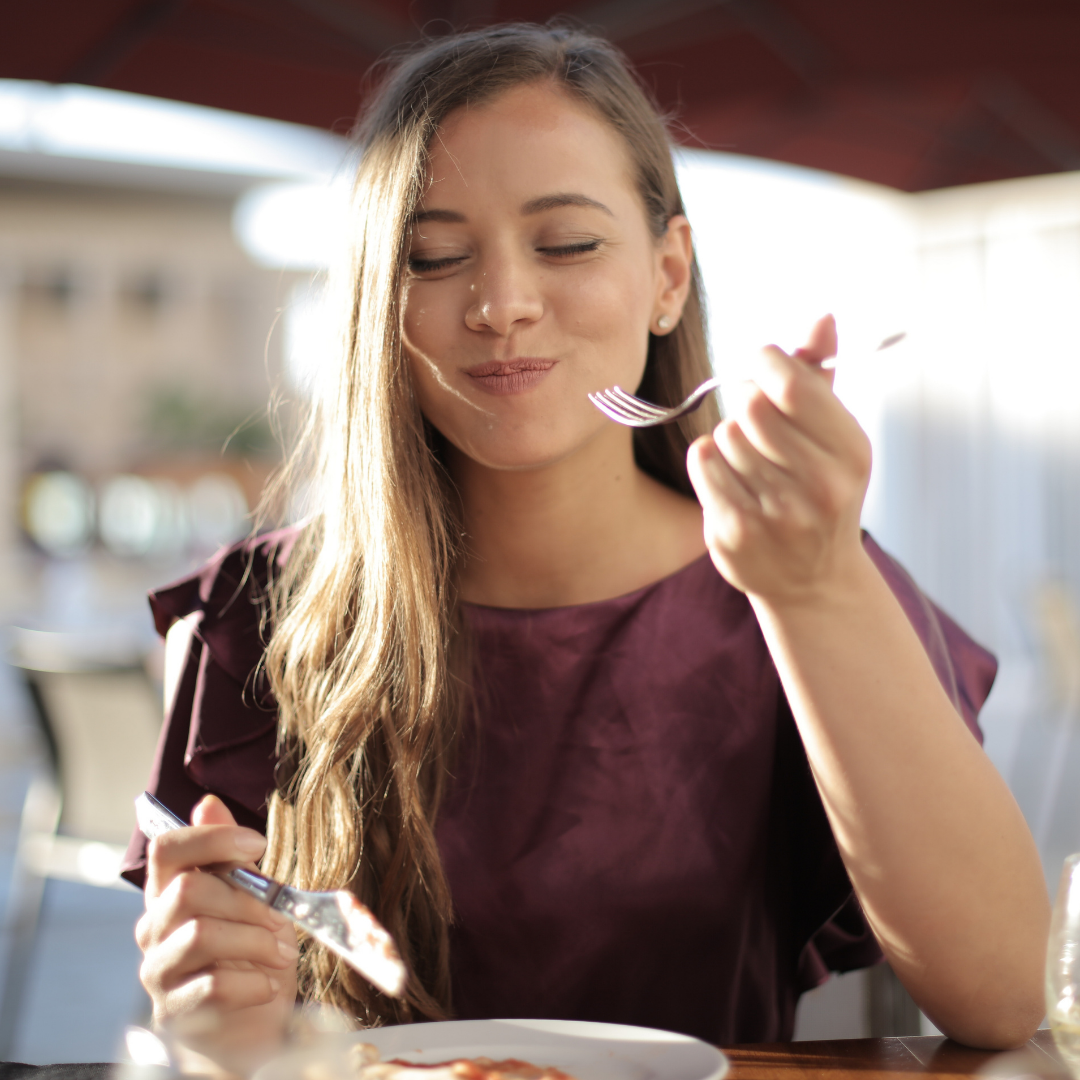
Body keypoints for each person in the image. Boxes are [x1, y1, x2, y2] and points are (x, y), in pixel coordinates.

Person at [124, 22, 1049, 1056]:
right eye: (432, 256)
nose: (502, 305)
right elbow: (229, 1030)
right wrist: (208, 1017)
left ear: (667, 275)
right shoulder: (255, 614)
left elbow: (1005, 998)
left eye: (566, 243)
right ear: (379, 305)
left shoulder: (799, 579)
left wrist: (817, 590)